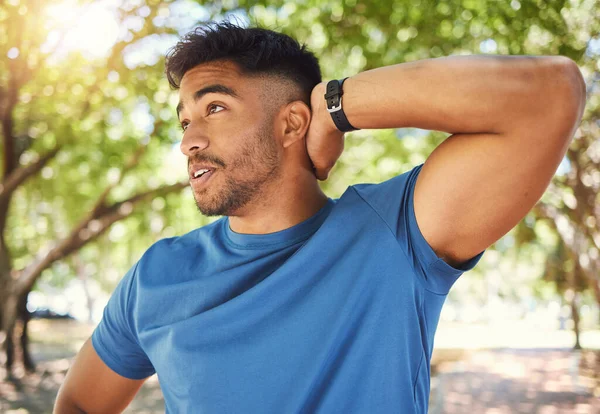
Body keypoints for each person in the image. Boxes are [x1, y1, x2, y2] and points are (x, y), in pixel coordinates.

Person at [53, 22, 585, 414]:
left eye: (214, 109)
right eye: (185, 120)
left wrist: (336, 108)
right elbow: (77, 403)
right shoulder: (155, 277)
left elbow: (551, 93)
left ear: (290, 123)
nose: (190, 140)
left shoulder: (395, 236)